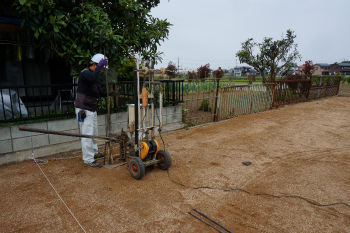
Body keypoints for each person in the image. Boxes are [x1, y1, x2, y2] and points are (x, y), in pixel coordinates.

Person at [75, 53, 118, 168]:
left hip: (92, 109)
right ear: (95, 64)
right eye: (102, 67)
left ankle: (94, 152)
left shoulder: (95, 77)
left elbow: (100, 93)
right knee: (87, 135)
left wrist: (109, 94)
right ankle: (88, 159)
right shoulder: (85, 73)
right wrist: (100, 66)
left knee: (93, 133)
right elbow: (93, 77)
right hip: (84, 109)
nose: (102, 70)